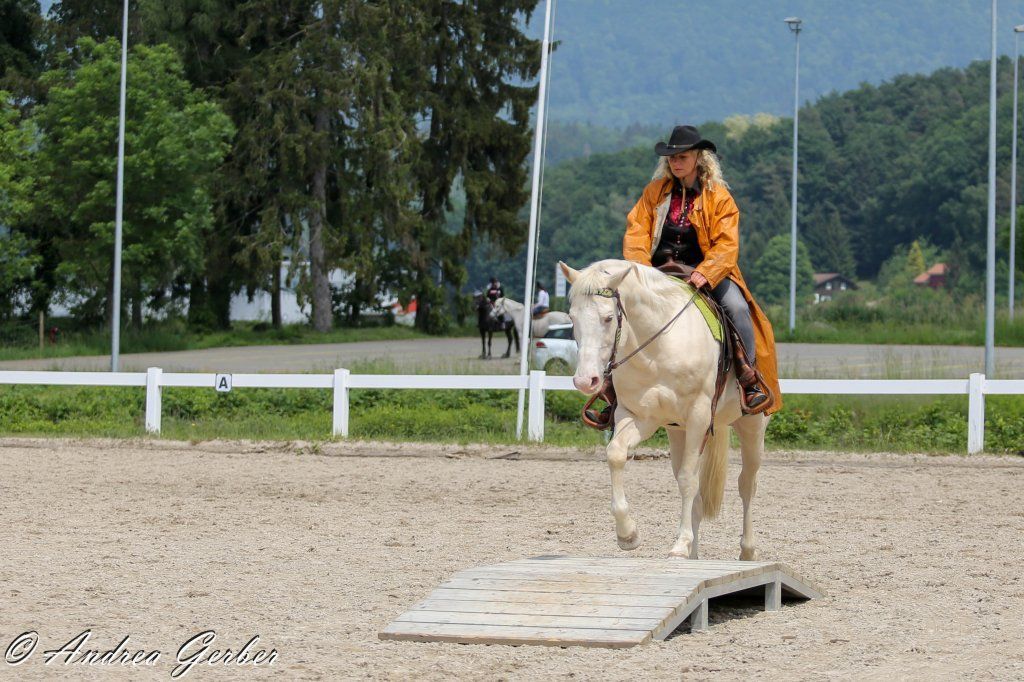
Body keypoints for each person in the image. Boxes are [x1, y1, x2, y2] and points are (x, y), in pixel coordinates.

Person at [622, 124, 780, 413]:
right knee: (615, 309)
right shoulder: (654, 192)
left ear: (699, 159)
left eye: (682, 157)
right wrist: (641, 271)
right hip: (657, 273)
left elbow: (727, 245)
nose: (676, 162)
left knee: (738, 307)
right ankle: (611, 386)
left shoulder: (719, 197)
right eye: (672, 158)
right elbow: (636, 233)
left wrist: (705, 273)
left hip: (704, 272)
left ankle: (748, 378)